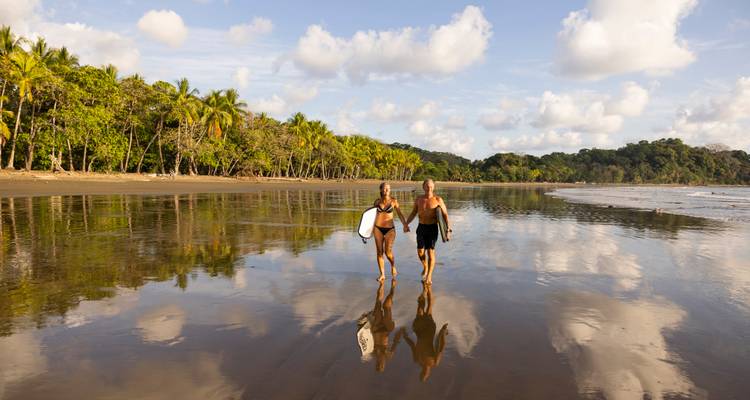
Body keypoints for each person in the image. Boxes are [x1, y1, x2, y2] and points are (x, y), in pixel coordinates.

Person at [405, 179, 451, 284]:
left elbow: (445, 215)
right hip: (421, 227)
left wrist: (448, 229)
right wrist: (406, 224)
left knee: (430, 253)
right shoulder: (419, 199)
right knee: (420, 252)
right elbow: (413, 213)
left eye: (431, 186)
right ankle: (425, 266)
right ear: (423, 187)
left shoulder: (438, 200)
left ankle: (429, 276)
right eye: (427, 186)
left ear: (433, 187)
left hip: (432, 228)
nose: (429, 188)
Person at [401, 282, 448, 382]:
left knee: (420, 309)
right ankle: (429, 288)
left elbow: (412, 345)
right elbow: (441, 347)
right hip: (429, 331)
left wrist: (405, 336)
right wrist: (442, 332)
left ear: (420, 372)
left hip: (419, 331)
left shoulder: (417, 359)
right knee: (429, 307)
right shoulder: (435, 362)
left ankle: (424, 290)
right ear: (429, 374)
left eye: (422, 374)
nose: (424, 373)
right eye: (425, 375)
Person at [373, 182, 408, 282]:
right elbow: (371, 216)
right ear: (380, 190)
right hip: (377, 228)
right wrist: (367, 230)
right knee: (379, 252)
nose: (385, 191)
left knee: (388, 253)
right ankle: (382, 274)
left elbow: (400, 214)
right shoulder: (377, 202)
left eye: (387, 189)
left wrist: (405, 224)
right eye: (384, 189)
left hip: (390, 230)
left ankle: (393, 266)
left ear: (390, 190)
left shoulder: (394, 201)